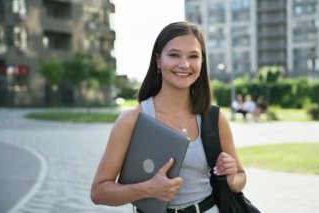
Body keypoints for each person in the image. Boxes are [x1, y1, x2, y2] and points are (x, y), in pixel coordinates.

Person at [90, 21, 247, 213]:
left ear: (202, 62)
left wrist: (230, 177)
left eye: (193, 56)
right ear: (158, 61)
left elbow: (240, 178)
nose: (184, 64)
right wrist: (148, 189)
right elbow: (99, 192)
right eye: (174, 55)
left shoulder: (213, 118)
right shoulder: (132, 120)